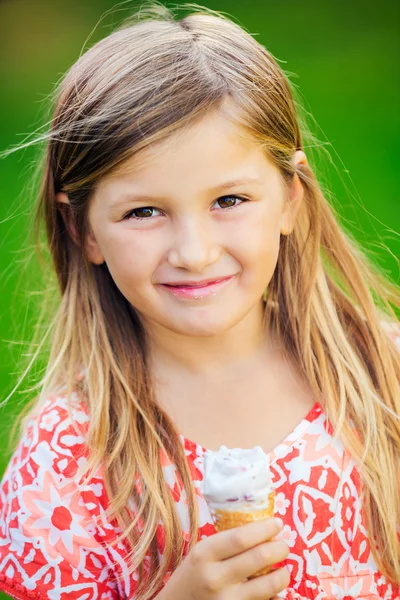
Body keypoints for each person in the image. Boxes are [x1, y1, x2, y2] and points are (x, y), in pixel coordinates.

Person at [0, 2, 399, 599]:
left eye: (230, 200)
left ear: (291, 196)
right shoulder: (65, 458)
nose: (193, 251)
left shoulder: (385, 380)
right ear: (83, 230)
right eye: (144, 212)